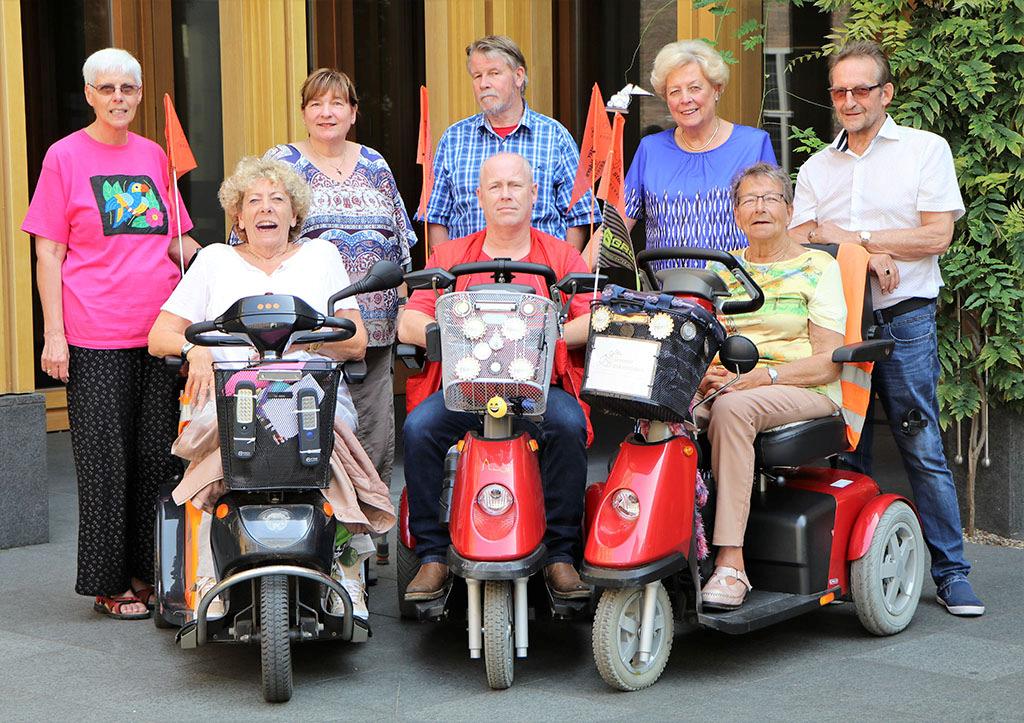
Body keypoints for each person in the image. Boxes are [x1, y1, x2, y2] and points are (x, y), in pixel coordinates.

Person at [149, 157, 394, 619]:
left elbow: (358, 341)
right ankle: (208, 579)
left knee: (322, 440)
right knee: (228, 444)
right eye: (253, 201)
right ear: (237, 216)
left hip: (308, 395)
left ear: (294, 214)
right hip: (231, 397)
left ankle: (343, 571)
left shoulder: (321, 257)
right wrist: (193, 350)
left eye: (277, 199)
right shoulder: (212, 259)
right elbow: (159, 334)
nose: (266, 209)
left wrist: (308, 340)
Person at [789, 41, 983, 616]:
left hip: (906, 319)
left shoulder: (925, 150)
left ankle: (951, 572)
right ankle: (855, 572)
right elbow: (798, 240)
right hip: (838, 325)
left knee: (921, 445)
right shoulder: (818, 165)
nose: (849, 101)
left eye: (861, 90)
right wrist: (861, 251)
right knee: (846, 446)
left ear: (886, 93)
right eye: (840, 91)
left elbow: (935, 236)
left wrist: (854, 240)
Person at [21, 47, 201, 620]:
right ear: (89, 94)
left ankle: (151, 571)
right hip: (95, 334)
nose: (118, 98)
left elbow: (178, 241)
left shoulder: (154, 155)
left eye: (128, 88)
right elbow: (48, 250)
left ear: (140, 95)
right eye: (107, 89)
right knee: (105, 464)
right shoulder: (65, 156)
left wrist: (238, 254)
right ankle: (109, 581)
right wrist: (54, 335)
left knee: (156, 460)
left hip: (160, 333)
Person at [399, 152, 592, 601]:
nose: (506, 194)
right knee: (419, 429)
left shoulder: (562, 256)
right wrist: (454, 331)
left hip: (537, 393)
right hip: (464, 392)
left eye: (515, 186)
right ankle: (432, 555)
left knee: (568, 426)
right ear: (480, 196)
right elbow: (409, 321)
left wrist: (545, 331)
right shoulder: (449, 256)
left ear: (534, 194)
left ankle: (561, 554)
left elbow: (592, 318)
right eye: (496, 187)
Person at [254, 67, 417, 564]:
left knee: (374, 432)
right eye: (316, 104)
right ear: (304, 112)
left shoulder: (375, 162)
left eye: (338, 104)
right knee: (309, 427)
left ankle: (370, 532)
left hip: (375, 327)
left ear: (353, 112)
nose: (327, 113)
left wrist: (407, 303)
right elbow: (259, 241)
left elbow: (402, 244)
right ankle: (321, 530)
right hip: (307, 331)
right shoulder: (281, 164)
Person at [696, 163, 846, 609]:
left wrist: (765, 376)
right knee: (662, 412)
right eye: (748, 200)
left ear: (790, 208)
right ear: (736, 213)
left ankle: (731, 562)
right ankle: (668, 541)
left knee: (732, 410)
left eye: (770, 198)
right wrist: (706, 373)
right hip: (731, 386)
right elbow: (704, 340)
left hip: (802, 388)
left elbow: (829, 362)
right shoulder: (719, 269)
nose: (759, 207)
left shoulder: (817, 266)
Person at [584, 40, 776, 269]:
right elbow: (615, 226)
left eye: (695, 88)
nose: (685, 99)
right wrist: (574, 276)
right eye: (675, 91)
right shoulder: (650, 149)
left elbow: (774, 224)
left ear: (717, 89)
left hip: (736, 293)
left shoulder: (753, 144)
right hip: (667, 296)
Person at [421, 35, 598, 250]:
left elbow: (579, 217)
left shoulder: (554, 136)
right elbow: (435, 217)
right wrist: (448, 277)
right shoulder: (453, 139)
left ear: (518, 76)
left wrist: (564, 278)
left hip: (542, 277)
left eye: (493, 74)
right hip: (468, 277)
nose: (483, 84)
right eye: (477, 76)